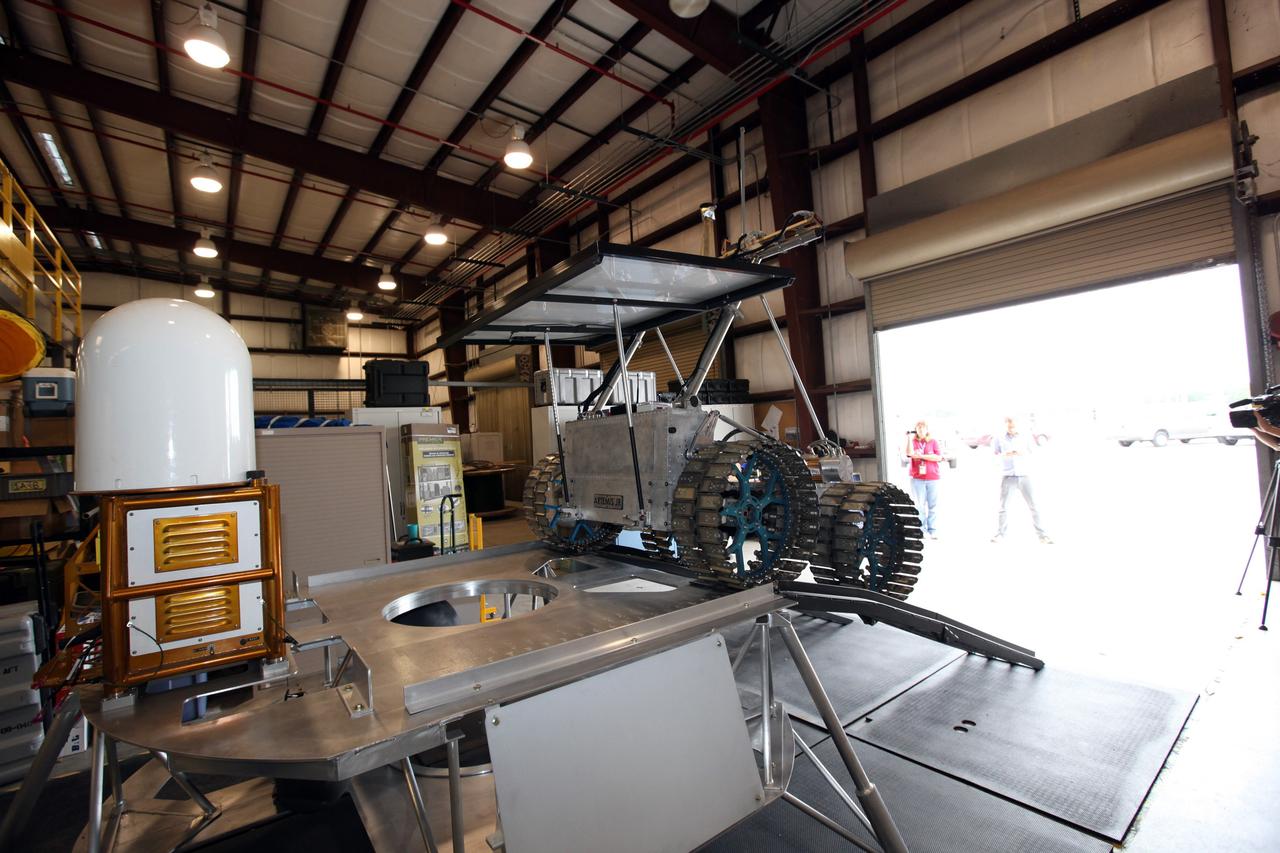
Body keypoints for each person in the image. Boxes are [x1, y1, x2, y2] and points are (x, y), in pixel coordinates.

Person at [990, 415, 1052, 544]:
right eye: (1009, 426)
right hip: (1008, 476)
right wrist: (1004, 455)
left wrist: (1022, 453)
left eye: (1013, 426)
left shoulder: (1026, 436)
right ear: (1005, 424)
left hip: (1025, 475)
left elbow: (1034, 453)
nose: (1011, 429)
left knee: (1034, 505)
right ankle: (1000, 534)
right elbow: (994, 456)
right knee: (1003, 507)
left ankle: (1042, 535)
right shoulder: (999, 438)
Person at [904, 420, 942, 539]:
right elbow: (909, 453)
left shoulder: (933, 442)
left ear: (927, 429)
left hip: (932, 478)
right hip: (917, 479)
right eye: (918, 428)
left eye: (923, 428)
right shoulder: (913, 441)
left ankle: (933, 529)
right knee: (919, 505)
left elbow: (938, 457)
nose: (921, 430)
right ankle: (922, 529)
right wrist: (909, 439)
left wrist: (921, 456)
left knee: (933, 505)